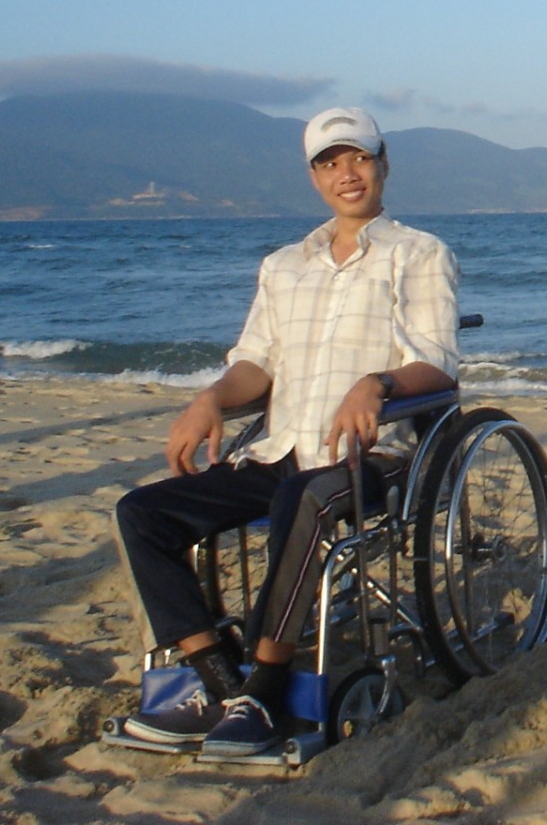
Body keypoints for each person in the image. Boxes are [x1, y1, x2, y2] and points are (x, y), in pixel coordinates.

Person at [112, 106, 459, 762]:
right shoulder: (283, 265)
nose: (347, 174)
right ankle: (218, 681)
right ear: (314, 176)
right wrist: (211, 397)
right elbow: (257, 363)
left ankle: (266, 688)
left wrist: (376, 384)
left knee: (300, 500)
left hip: (372, 456)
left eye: (358, 157)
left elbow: (436, 361)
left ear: (383, 163)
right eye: (331, 163)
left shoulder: (419, 254)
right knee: (141, 513)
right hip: (281, 449)